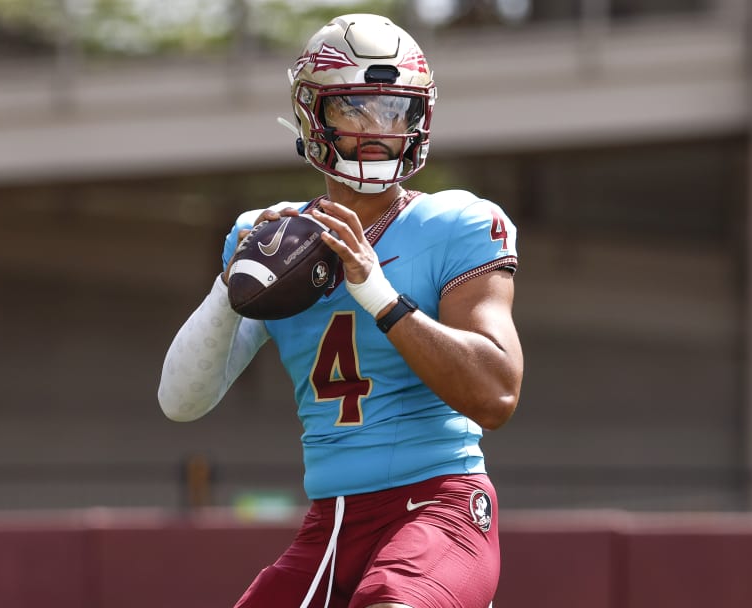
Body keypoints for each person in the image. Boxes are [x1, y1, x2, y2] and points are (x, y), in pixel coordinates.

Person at [158, 13, 522, 608]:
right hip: (331, 523)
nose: (379, 130)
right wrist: (234, 284)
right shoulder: (272, 241)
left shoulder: (454, 223)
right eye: (355, 108)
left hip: (440, 507)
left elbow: (497, 393)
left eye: (396, 110)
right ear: (313, 115)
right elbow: (180, 401)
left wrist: (377, 291)